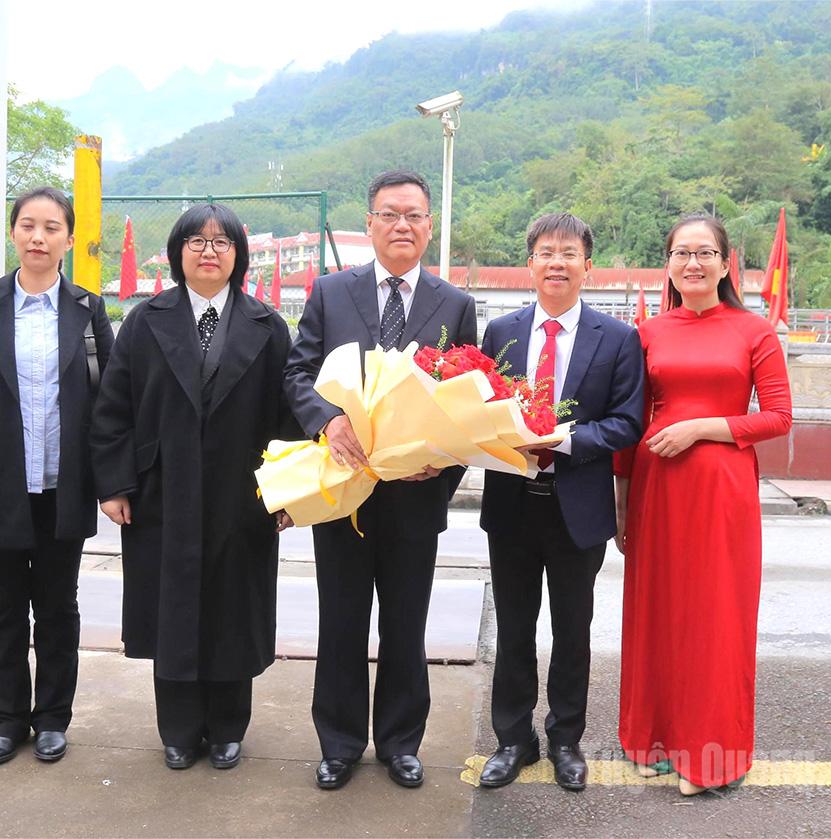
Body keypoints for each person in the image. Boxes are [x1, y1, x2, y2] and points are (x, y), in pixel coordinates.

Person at [285, 169, 477, 790]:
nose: (402, 225)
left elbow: (471, 399)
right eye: (390, 214)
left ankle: (400, 743)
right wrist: (328, 418)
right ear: (369, 224)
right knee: (340, 622)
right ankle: (339, 743)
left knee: (405, 625)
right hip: (344, 491)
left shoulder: (455, 304)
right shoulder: (331, 292)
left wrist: (441, 468)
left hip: (415, 496)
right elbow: (297, 373)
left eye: (414, 215)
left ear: (429, 226)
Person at [90, 203, 296, 772]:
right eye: (197, 241)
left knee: (234, 608)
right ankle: (178, 730)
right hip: (163, 489)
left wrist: (288, 494)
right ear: (178, 252)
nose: (209, 251)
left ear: (238, 255)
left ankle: (229, 727)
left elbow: (288, 417)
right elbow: (113, 408)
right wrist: (115, 485)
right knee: (172, 609)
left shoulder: (267, 325)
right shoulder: (144, 320)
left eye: (221, 241)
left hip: (243, 493)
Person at [615, 215, 792, 795]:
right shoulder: (647, 333)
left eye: (705, 252)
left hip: (721, 491)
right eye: (681, 253)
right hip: (656, 488)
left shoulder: (754, 331)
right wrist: (622, 502)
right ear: (668, 263)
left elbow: (778, 417)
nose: (693, 263)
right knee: (657, 612)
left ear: (724, 263)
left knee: (717, 616)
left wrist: (703, 428)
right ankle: (652, 741)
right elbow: (630, 423)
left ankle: (711, 757)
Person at [0, 187, 114, 765]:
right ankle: (6, 719)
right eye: (28, 225)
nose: (38, 237)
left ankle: (53, 719)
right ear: (14, 233)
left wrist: (113, 484)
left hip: (64, 487)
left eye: (51, 227)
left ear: (69, 239)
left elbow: (111, 402)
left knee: (59, 609)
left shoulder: (88, 310)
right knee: (3, 608)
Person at [477, 213, 645, 791]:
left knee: (573, 630)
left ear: (587, 266)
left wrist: (564, 440)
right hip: (512, 504)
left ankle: (566, 739)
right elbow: (477, 407)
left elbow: (627, 421)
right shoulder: (500, 332)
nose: (557, 262)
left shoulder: (618, 338)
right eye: (546, 252)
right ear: (530, 264)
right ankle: (512, 739)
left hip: (577, 507)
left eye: (568, 253)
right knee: (514, 630)